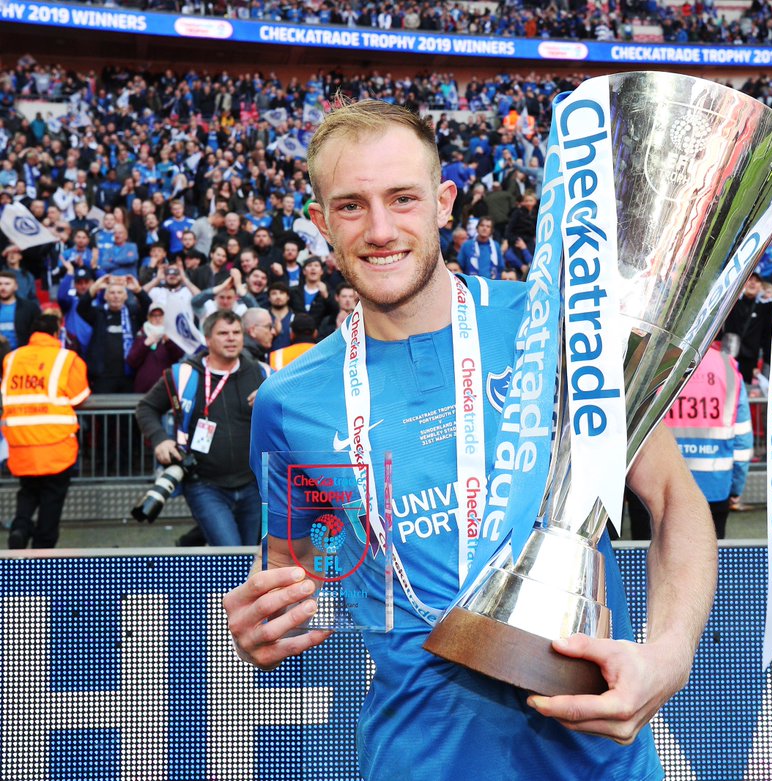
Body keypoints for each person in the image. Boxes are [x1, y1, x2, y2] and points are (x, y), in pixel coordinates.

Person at [222, 100, 715, 781]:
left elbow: (673, 499)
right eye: (351, 206)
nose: (381, 228)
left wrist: (670, 653)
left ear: (444, 202)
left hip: (597, 759)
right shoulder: (288, 403)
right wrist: (261, 621)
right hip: (416, 759)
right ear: (321, 224)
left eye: (402, 198)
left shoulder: (553, 328)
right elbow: (297, 564)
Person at [135, 311, 267, 546]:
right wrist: (160, 439)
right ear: (207, 339)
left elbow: (294, 408)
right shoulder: (183, 374)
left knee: (248, 558)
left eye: (236, 332)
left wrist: (272, 399)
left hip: (253, 485)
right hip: (205, 485)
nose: (231, 338)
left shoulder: (262, 373)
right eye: (223, 333)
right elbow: (146, 408)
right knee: (229, 554)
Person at [626, 341, 750, 539]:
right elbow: (742, 439)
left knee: (646, 560)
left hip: (656, 486)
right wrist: (736, 486)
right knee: (706, 562)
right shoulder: (728, 367)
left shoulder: (654, 361)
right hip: (714, 486)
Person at [2, 313, 91, 548]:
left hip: (21, 443)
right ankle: (43, 550)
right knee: (52, 498)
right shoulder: (67, 359)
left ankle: (20, 528)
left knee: (28, 491)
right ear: (55, 333)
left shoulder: (11, 358)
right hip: (56, 444)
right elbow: (79, 396)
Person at [0, 270, 40, 348]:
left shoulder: (30, 308)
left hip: (22, 355)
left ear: (16, 286)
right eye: (0, 284)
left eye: (7, 284)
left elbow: (38, 334)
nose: (3, 287)